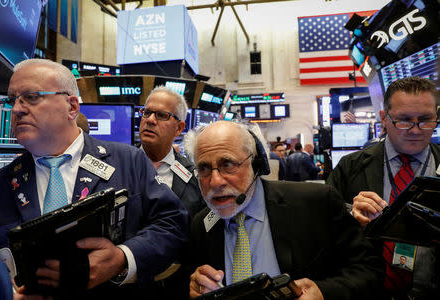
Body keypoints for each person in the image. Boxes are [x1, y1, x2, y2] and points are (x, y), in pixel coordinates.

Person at [0, 59, 188, 299]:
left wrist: (122, 257)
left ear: (72, 107)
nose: (17, 109)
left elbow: (172, 223)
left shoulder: (128, 161)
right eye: (12, 100)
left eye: (31, 97)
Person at [185, 121, 384, 300]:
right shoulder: (201, 224)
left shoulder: (315, 202)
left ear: (256, 163)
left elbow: (369, 271)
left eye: (227, 165)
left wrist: (324, 292)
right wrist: (195, 287)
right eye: (203, 169)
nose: (215, 181)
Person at [327, 76, 440, 299]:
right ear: (384, 118)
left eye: (426, 120)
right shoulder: (351, 166)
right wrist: (350, 214)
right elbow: (320, 223)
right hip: (366, 292)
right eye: (404, 120)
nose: (416, 130)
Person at [139, 86, 205, 218]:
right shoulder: (119, 164)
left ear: (179, 128)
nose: (150, 120)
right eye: (147, 112)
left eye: (162, 115)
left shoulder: (196, 179)